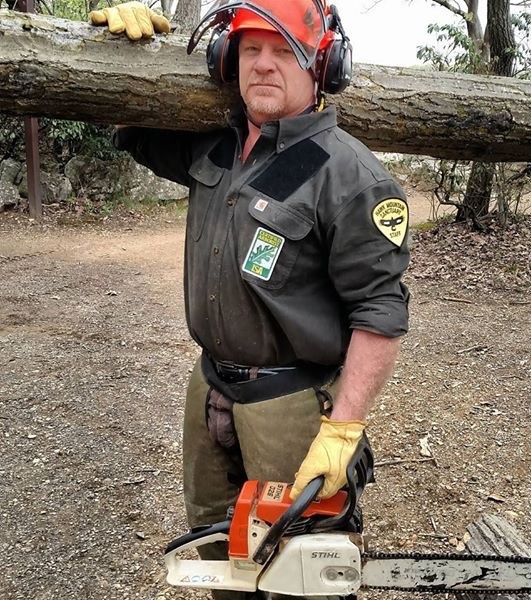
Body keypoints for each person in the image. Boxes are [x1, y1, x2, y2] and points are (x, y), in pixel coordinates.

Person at [92, 1, 410, 598]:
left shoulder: (350, 176)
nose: (263, 65)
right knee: (221, 559)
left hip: (290, 404)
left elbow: (381, 313)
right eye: (248, 49)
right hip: (209, 387)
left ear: (323, 64)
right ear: (226, 59)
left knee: (300, 572)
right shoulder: (214, 146)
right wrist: (122, 47)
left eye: (283, 49)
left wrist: (342, 430)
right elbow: (131, 127)